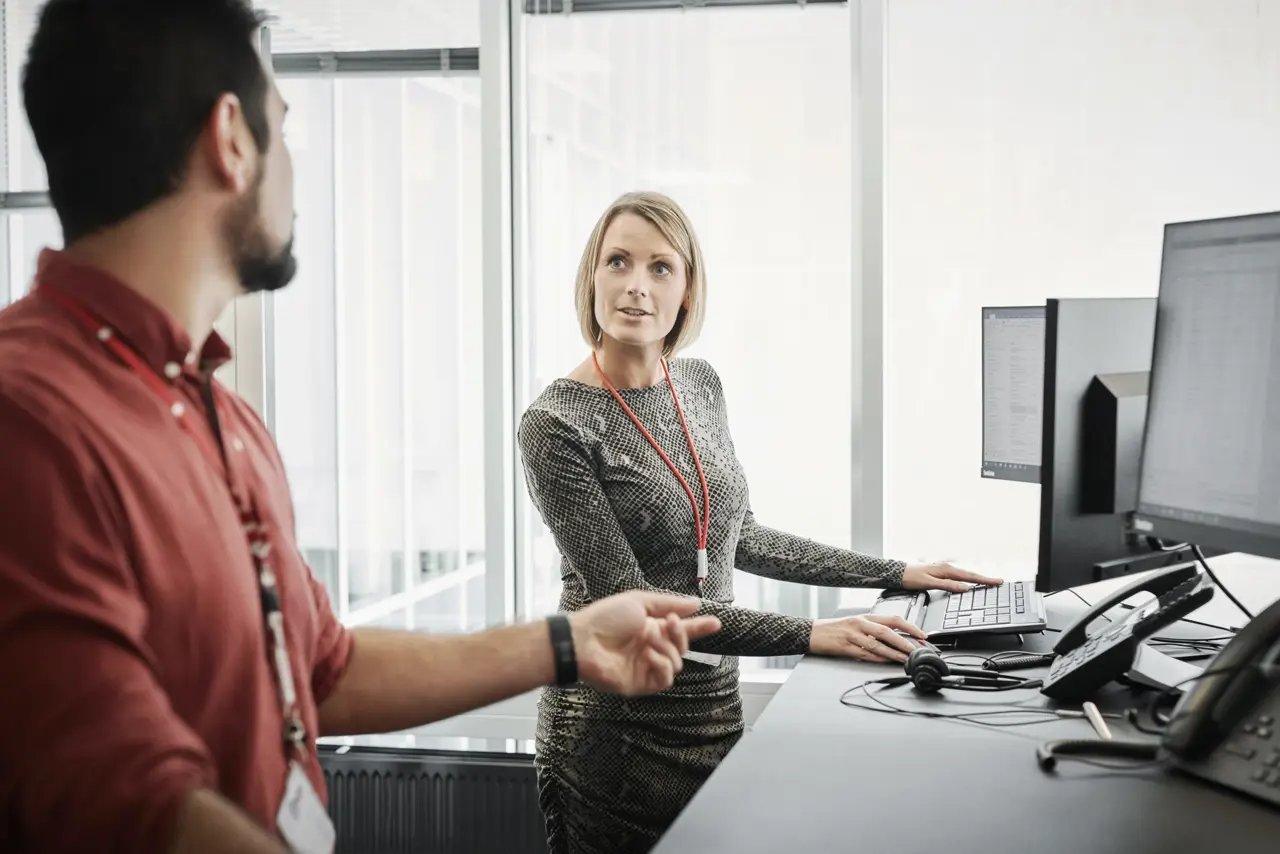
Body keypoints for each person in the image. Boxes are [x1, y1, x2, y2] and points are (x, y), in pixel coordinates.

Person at [0, 5, 722, 854]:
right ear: (232, 139)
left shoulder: (220, 417)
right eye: (286, 130)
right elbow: (119, 794)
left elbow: (318, 667)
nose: (295, 172)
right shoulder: (31, 418)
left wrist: (569, 642)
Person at [518, 189, 1003, 853]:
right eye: (618, 262)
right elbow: (639, 612)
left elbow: (738, 536)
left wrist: (895, 571)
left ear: (686, 290)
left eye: (661, 267)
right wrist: (810, 634)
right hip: (613, 738)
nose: (636, 286)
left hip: (714, 711)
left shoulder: (698, 383)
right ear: (591, 277)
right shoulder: (556, 426)